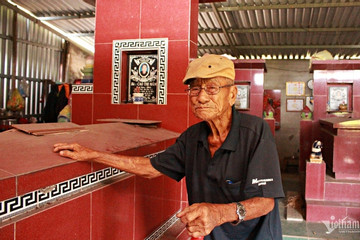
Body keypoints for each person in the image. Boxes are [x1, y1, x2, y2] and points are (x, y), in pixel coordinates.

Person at [54, 54, 284, 240]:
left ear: (232, 95)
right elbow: (150, 168)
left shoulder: (255, 132)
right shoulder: (192, 138)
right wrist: (92, 154)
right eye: (195, 89)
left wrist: (219, 213)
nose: (201, 97)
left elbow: (266, 202)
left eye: (212, 88)